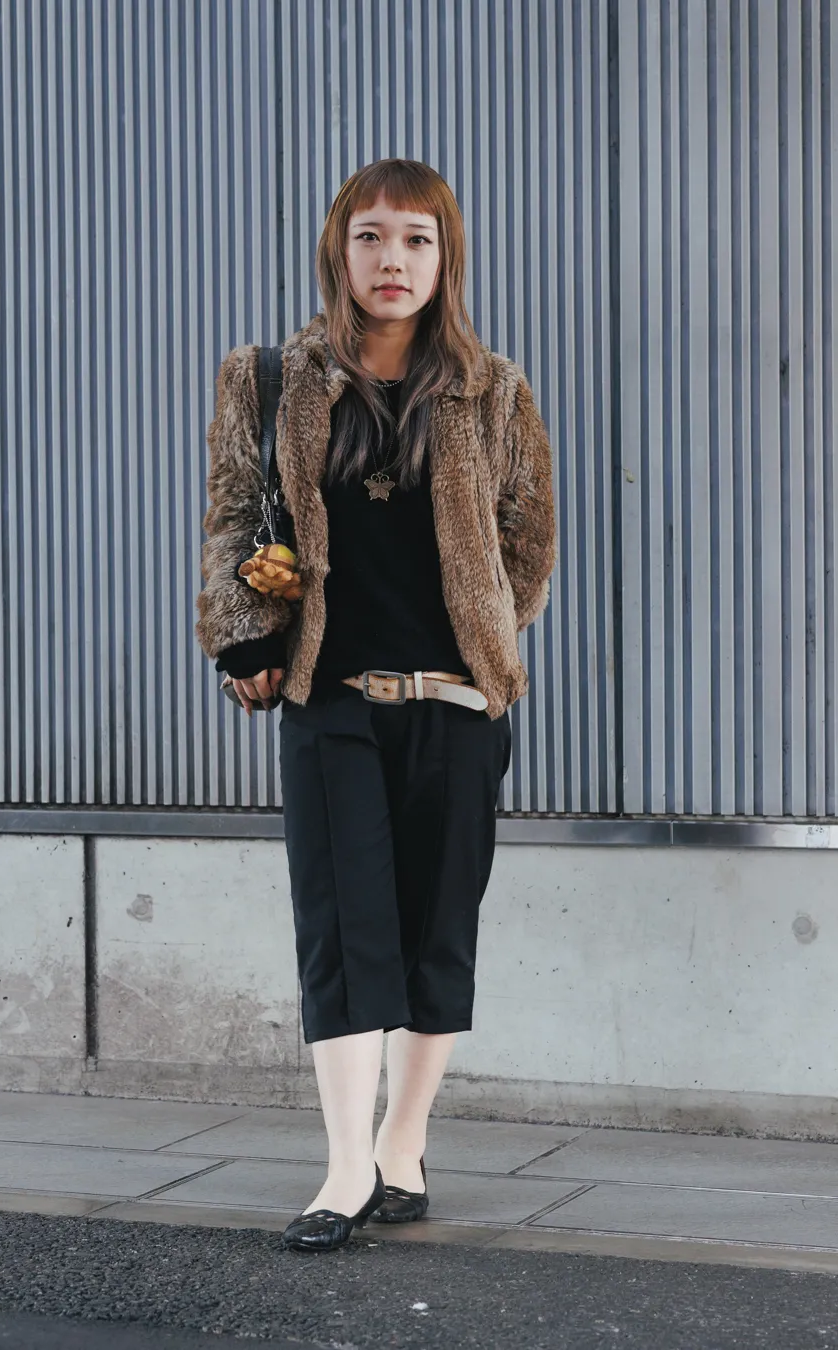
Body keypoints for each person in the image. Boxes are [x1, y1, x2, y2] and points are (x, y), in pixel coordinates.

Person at [195, 158, 556, 1253]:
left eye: (416, 239)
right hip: (330, 701)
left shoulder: (495, 391)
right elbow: (231, 517)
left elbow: (528, 540)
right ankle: (345, 1166)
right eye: (370, 237)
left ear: (446, 258)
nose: (391, 259)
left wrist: (487, 642)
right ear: (338, 250)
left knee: (439, 930)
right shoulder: (269, 380)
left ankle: (404, 1142)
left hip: (457, 705)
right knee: (342, 930)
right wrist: (241, 637)